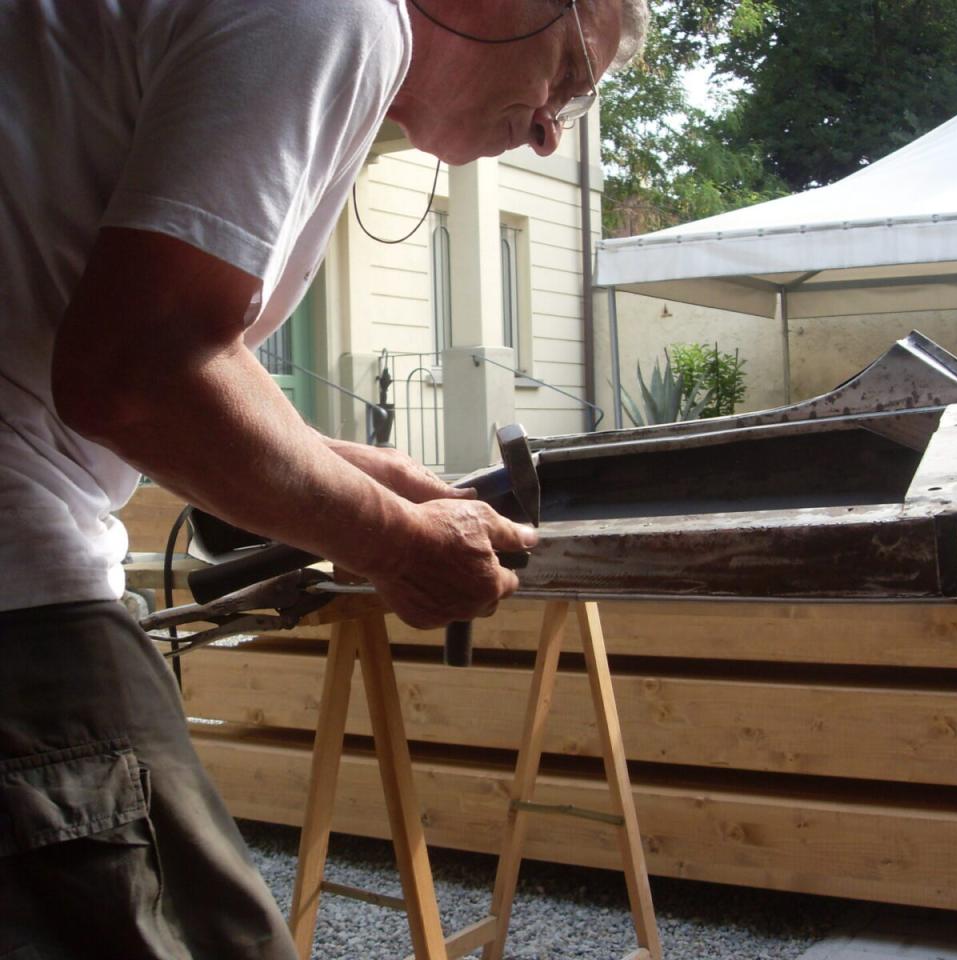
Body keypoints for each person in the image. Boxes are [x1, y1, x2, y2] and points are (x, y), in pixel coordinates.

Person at [0, 1, 649, 957]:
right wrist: (393, 541)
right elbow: (133, 376)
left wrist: (354, 471)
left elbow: (143, 339)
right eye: (570, 74)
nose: (553, 132)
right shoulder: (340, 15)